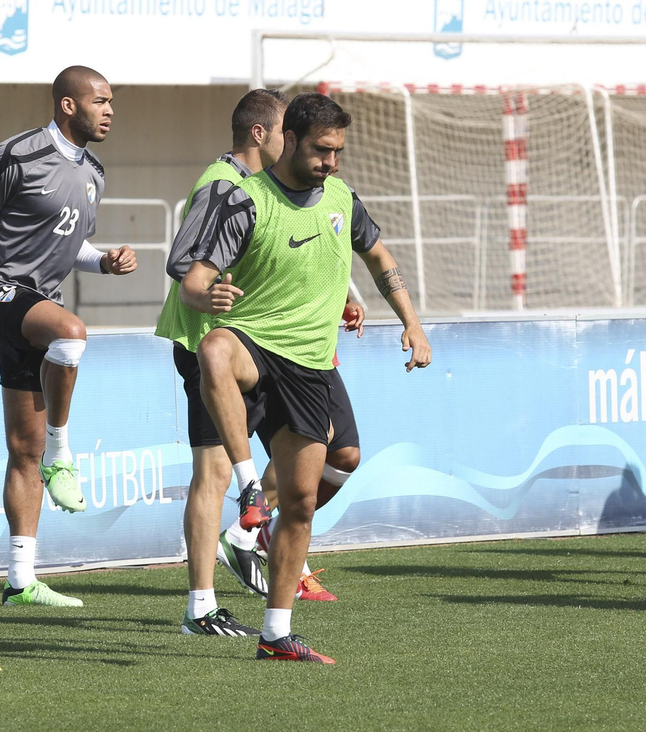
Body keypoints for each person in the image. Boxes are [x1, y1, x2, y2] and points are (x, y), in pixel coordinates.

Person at [179, 92, 431, 662]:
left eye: (338, 151)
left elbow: (379, 257)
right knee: (214, 349)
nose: (331, 162)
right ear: (287, 139)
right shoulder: (245, 200)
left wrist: (412, 323)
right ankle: (248, 485)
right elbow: (192, 279)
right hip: (254, 346)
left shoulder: (341, 198)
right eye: (321, 150)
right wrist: (206, 296)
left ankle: (276, 635)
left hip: (311, 366)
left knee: (299, 504)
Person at [0, 66, 136, 606]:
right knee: (71, 335)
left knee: (23, 448)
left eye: (111, 101)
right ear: (68, 105)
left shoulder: (94, 172)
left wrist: (103, 261)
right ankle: (64, 452)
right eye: (100, 101)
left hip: (32, 308)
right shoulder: (17, 155)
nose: (109, 110)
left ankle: (20, 580)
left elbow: (70, 246)